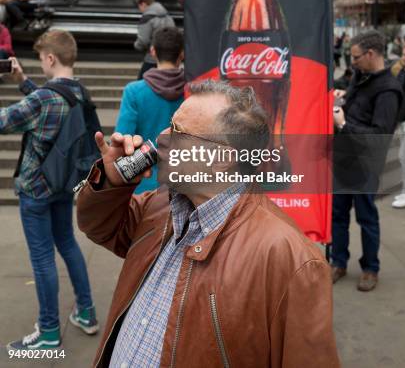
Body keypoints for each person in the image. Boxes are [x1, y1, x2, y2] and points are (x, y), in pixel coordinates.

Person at [77, 80, 340, 367]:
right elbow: (99, 227)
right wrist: (112, 183)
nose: (161, 137)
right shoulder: (160, 203)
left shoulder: (290, 258)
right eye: (169, 125)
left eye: (178, 132)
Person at [0, 30, 98, 350]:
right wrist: (23, 80)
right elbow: (51, 103)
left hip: (35, 188)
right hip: (63, 184)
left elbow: (8, 119)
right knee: (68, 244)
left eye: (42, 58)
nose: (41, 63)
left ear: (51, 58)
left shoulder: (43, 99)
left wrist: (24, 87)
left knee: (42, 259)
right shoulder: (80, 92)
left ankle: (49, 331)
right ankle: (86, 311)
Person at [331, 30, 402, 292]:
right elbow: (353, 103)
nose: (353, 62)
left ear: (371, 54)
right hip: (343, 158)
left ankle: (370, 268)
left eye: (356, 57)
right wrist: (342, 101)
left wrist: (344, 123)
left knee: (366, 218)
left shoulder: (389, 90)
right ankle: (338, 261)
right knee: (337, 215)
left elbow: (378, 137)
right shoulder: (361, 76)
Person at [115, 26, 185, 192]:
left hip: (144, 188)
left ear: (153, 51)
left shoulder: (134, 92)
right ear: (182, 54)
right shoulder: (193, 92)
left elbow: (123, 141)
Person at [134, 0, 175, 78]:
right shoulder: (167, 16)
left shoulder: (146, 18)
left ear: (143, 4)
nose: (140, 10)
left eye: (139, 7)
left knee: (142, 83)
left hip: (152, 58)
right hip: (169, 59)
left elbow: (143, 41)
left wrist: (136, 45)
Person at [390, 45, 405, 208]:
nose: (404, 57)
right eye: (404, 54)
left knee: (404, 157)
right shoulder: (402, 71)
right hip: (403, 121)